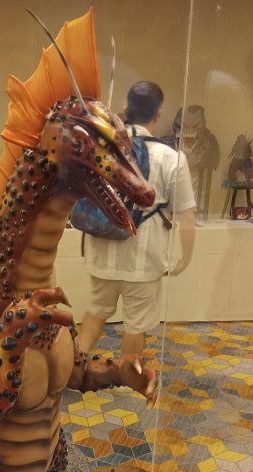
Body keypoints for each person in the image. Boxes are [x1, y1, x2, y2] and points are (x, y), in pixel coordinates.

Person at [79, 81, 196, 357]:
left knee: (95, 314)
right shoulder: (171, 158)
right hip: (144, 261)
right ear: (158, 113)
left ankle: (72, 368)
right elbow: (186, 216)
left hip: (101, 253)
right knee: (135, 326)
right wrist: (184, 259)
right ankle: (128, 375)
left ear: (126, 108)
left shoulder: (102, 148)